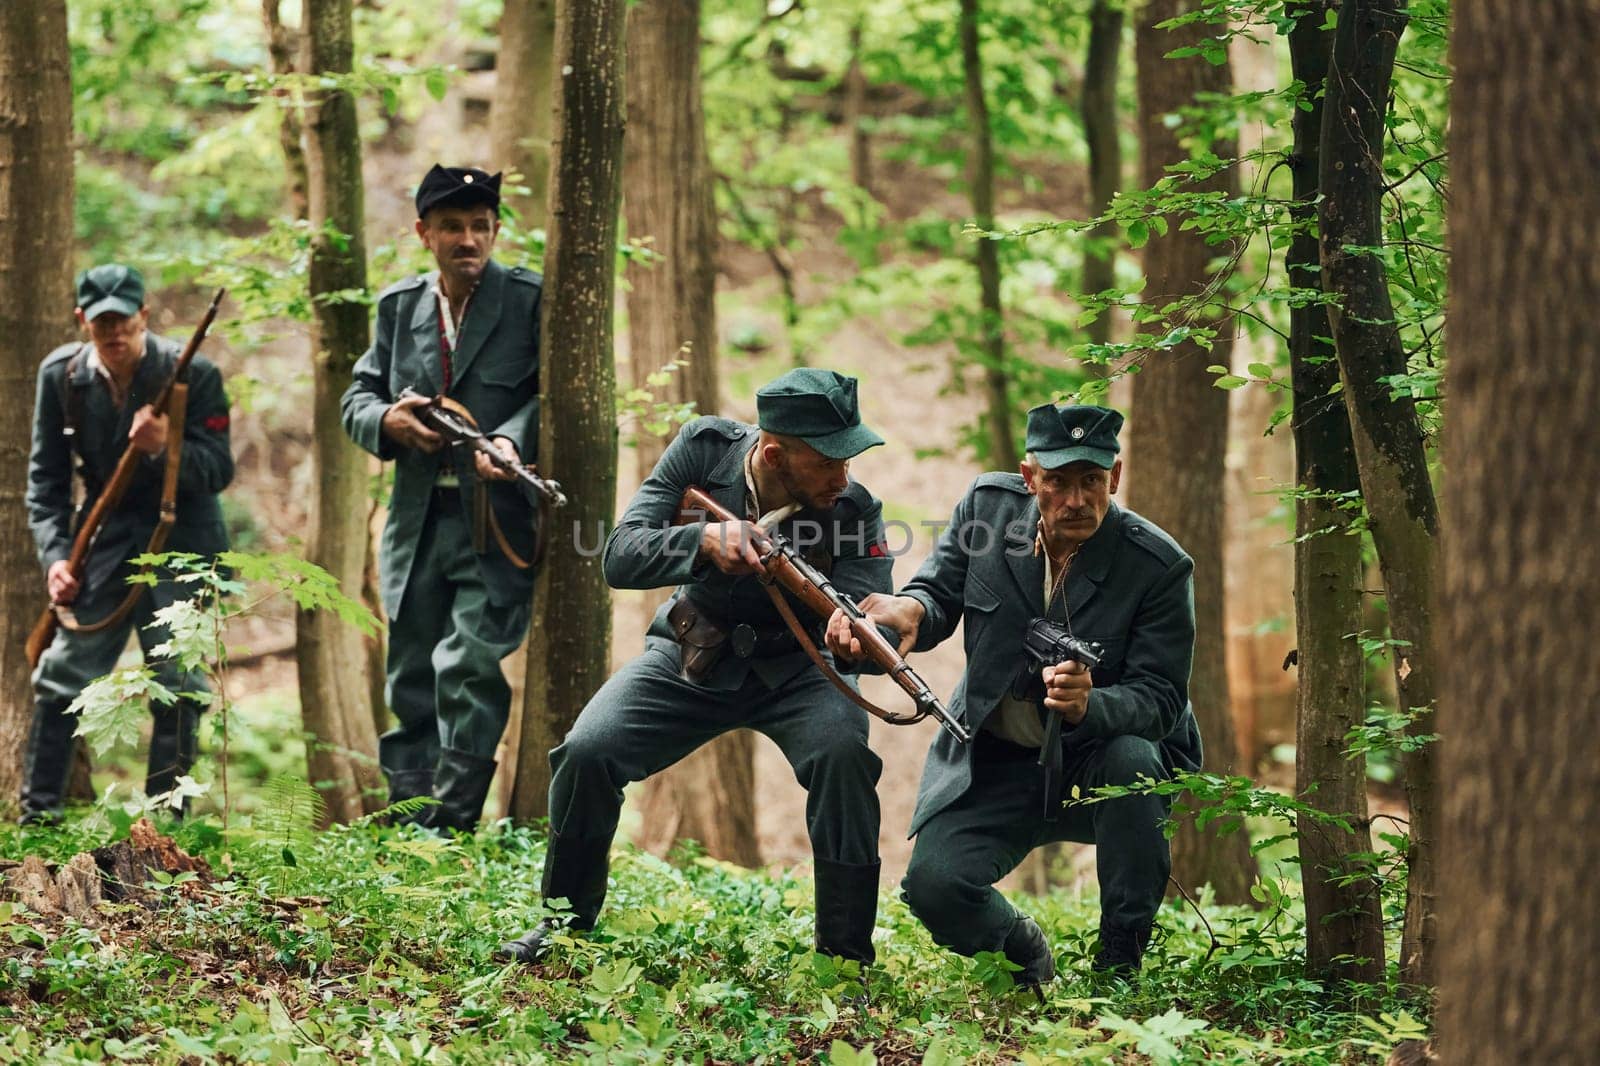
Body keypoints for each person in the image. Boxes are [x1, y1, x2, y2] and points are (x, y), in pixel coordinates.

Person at [497, 368, 890, 967]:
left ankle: (846, 960)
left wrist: (856, 635)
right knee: (586, 751)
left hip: (801, 671)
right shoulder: (703, 452)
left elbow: (871, 607)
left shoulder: (855, 507)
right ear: (775, 453)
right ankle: (561, 928)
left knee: (845, 759)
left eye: (848, 459)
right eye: (828, 462)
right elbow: (621, 555)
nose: (844, 476)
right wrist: (703, 541)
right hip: (693, 652)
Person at [825, 403, 1202, 984]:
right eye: (1057, 483)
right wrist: (909, 610)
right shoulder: (988, 510)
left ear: (1116, 479)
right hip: (997, 757)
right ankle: (1024, 951)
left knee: (1134, 757)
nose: (1075, 500)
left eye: (1091, 482)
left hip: (1099, 759)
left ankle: (1118, 966)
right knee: (934, 887)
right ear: (1031, 480)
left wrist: (1090, 703)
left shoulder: (1157, 565)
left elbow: (1161, 699)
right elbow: (937, 593)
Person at [341, 164, 544, 832]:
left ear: (495, 230)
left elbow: (556, 394)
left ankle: (449, 831)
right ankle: (407, 829)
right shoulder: (399, 308)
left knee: (469, 664)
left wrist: (511, 443)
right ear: (424, 233)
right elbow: (358, 397)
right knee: (411, 673)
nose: (468, 239)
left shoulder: (528, 298)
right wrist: (387, 423)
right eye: (453, 227)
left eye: (481, 226)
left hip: (497, 522)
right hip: (418, 517)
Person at [21, 264, 234, 825]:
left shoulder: (194, 373)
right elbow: (45, 482)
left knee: (181, 684)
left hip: (184, 542)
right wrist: (55, 560)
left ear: (144, 315)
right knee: (62, 675)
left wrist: (167, 449)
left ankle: (169, 828)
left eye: (125, 320)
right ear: (83, 322)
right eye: (102, 322)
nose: (115, 333)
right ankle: (38, 820)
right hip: (104, 541)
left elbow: (219, 470)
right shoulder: (61, 376)